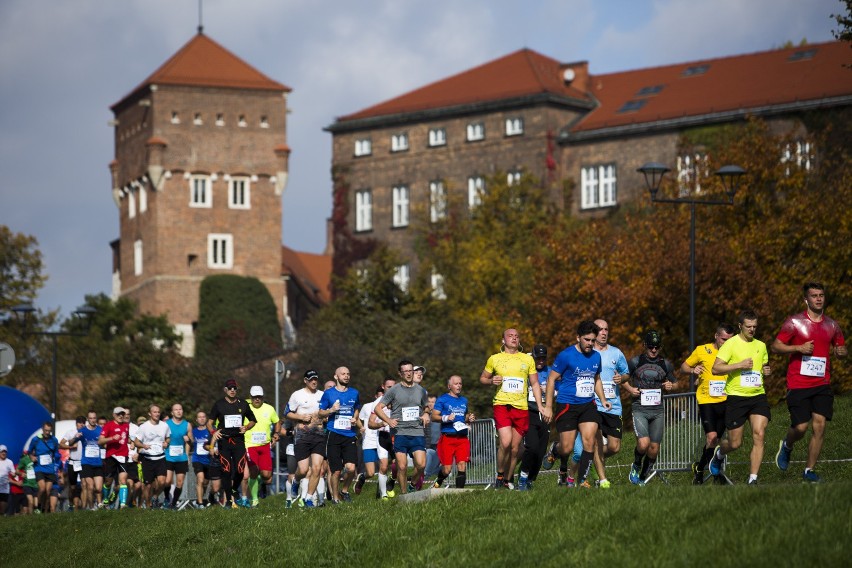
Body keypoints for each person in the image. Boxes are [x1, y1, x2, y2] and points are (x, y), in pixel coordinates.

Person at [772, 282, 846, 482]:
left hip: (822, 383)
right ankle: (787, 445)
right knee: (801, 428)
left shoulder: (832, 325)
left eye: (821, 295)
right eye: (814, 295)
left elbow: (841, 347)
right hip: (798, 383)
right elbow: (776, 346)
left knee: (820, 425)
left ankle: (809, 471)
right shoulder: (794, 323)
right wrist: (798, 348)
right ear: (806, 299)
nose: (819, 298)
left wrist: (841, 352)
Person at [544, 320, 611, 489]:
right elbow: (551, 379)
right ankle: (555, 449)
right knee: (566, 449)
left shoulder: (596, 356)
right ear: (578, 338)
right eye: (587, 340)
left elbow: (596, 379)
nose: (590, 344)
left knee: (589, 442)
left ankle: (579, 479)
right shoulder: (566, 355)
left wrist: (603, 399)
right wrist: (548, 407)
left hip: (588, 404)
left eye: (592, 340)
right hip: (567, 405)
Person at [709, 309, 772, 485]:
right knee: (735, 443)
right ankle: (719, 454)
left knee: (759, 434)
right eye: (748, 326)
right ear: (740, 326)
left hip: (757, 396)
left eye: (754, 327)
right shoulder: (731, 344)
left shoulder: (761, 345)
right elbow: (716, 368)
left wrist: (767, 370)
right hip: (737, 397)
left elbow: (763, 366)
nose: (752, 330)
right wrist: (739, 365)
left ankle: (753, 479)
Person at [480, 328, 549, 489]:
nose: (514, 338)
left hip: (521, 407)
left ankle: (508, 479)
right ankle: (499, 474)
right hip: (502, 404)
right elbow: (483, 378)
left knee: (515, 448)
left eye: (517, 336)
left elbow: (535, 384)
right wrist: (491, 381)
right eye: (510, 336)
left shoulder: (527, 359)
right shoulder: (494, 359)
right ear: (503, 340)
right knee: (505, 442)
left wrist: (540, 406)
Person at [682, 323, 735, 484]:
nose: (726, 343)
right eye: (723, 339)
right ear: (716, 336)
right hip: (706, 401)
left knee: (716, 441)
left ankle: (701, 467)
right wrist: (692, 371)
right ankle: (716, 474)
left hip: (726, 401)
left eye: (730, 340)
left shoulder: (733, 353)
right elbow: (684, 366)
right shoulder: (702, 350)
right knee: (711, 438)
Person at [625, 330, 676, 485]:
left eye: (657, 347)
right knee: (643, 443)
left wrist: (670, 385)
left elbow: (676, 382)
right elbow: (622, 378)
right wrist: (630, 389)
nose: (654, 350)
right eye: (651, 347)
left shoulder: (665, 364)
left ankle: (642, 478)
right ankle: (636, 465)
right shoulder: (635, 362)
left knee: (654, 449)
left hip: (658, 411)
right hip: (640, 408)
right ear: (644, 345)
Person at [375, 360, 430, 494]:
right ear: (400, 374)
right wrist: (388, 420)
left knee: (421, 465)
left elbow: (426, 407)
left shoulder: (421, 390)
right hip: (400, 432)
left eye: (410, 370)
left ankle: (412, 484)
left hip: (417, 431)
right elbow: (378, 408)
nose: (408, 374)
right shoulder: (394, 390)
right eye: (405, 371)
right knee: (402, 466)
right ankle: (404, 495)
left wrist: (426, 414)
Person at [209, 378, 257, 509]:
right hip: (224, 440)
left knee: (241, 470)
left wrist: (246, 427)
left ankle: (234, 490)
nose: (232, 390)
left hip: (239, 440)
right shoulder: (219, 404)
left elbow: (253, 420)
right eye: (230, 388)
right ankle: (229, 501)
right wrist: (213, 431)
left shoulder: (243, 404)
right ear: (225, 390)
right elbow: (209, 422)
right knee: (226, 470)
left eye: (234, 388)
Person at [318, 366, 361, 503]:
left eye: (348, 374)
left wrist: (355, 418)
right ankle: (335, 499)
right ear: (336, 377)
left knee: (351, 468)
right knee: (336, 471)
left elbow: (356, 408)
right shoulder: (329, 394)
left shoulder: (354, 393)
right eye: (343, 374)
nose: (346, 376)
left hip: (349, 434)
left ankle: (344, 490)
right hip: (333, 434)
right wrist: (331, 410)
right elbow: (320, 413)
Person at [286, 369, 326, 508]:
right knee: (303, 470)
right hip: (302, 435)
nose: (314, 381)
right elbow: (287, 413)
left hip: (319, 434)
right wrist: (300, 417)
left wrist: (325, 417)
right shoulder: (297, 395)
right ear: (305, 381)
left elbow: (326, 413)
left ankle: (309, 498)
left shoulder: (322, 395)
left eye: (315, 379)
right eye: (311, 379)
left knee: (317, 468)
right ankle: (296, 481)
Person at [431, 375, 475, 489]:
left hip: (462, 438)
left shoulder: (464, 400)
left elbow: (463, 417)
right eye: (456, 384)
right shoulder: (443, 399)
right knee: (447, 469)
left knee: (462, 465)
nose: (459, 386)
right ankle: (438, 481)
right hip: (448, 437)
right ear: (449, 386)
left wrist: (469, 418)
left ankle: (459, 494)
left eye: (460, 383)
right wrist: (446, 418)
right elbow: (434, 416)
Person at [518, 344, 550, 490]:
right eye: (538, 358)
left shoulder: (550, 372)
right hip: (528, 412)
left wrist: (549, 391)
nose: (541, 361)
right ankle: (522, 477)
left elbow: (558, 390)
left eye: (543, 358)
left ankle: (531, 479)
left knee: (541, 450)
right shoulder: (526, 370)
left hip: (544, 413)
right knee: (532, 447)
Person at [244, 385, 280, 507]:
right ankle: (254, 500)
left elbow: (277, 421)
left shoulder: (269, 408)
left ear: (263, 397)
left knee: (267, 476)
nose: (257, 399)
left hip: (265, 445)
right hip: (250, 445)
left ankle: (259, 484)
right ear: (251, 397)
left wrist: (276, 433)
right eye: (254, 397)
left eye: (259, 397)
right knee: (253, 471)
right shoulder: (245, 408)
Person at [355, 385, 392, 499]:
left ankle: (381, 493)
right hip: (369, 441)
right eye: (379, 395)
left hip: (382, 438)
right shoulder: (367, 407)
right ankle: (362, 478)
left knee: (383, 467)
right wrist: (361, 428)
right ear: (376, 396)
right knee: (370, 473)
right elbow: (358, 418)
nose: (382, 397)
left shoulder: (389, 406)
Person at [133, 404, 171, 508]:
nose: (157, 414)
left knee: (163, 482)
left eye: (158, 412)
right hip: (148, 458)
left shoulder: (164, 425)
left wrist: (166, 443)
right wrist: (143, 445)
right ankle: (149, 505)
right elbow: (136, 442)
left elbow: (168, 438)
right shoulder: (144, 426)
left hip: (160, 457)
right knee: (148, 485)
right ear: (150, 413)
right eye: (154, 412)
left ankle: (155, 496)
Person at [99, 407, 131, 508]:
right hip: (111, 456)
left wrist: (131, 442)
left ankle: (122, 504)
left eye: (122, 414)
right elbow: (100, 441)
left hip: (123, 455)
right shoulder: (108, 426)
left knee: (123, 480)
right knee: (108, 482)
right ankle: (105, 499)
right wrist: (112, 438)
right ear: (113, 415)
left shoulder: (126, 426)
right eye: (118, 414)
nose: (121, 416)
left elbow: (126, 437)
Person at [164, 403, 192, 509]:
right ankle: (167, 498)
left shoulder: (187, 424)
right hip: (168, 457)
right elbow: (161, 437)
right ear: (172, 412)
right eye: (176, 410)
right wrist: (164, 443)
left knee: (180, 483)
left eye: (180, 409)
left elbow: (191, 441)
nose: (179, 411)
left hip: (181, 457)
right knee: (167, 481)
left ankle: (173, 503)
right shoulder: (166, 424)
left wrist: (188, 439)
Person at [27, 421, 60, 513]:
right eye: (45, 430)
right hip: (39, 468)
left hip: (50, 469)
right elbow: (29, 451)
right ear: (42, 430)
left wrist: (56, 460)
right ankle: (38, 505)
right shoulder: (36, 440)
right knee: (42, 488)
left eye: (49, 431)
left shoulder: (54, 440)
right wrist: (32, 457)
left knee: (48, 491)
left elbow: (56, 453)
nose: (47, 433)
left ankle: (45, 511)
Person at [77, 410, 105, 509]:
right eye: (91, 418)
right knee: (90, 486)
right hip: (86, 463)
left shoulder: (101, 430)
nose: (93, 420)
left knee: (98, 488)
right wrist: (74, 438)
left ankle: (99, 504)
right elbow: (72, 441)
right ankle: (92, 507)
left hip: (97, 463)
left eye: (94, 418)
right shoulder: (82, 431)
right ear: (88, 419)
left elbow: (105, 442)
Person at [191, 411, 218, 508]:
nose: (202, 419)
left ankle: (199, 500)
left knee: (205, 483)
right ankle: (201, 504)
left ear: (206, 419)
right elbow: (187, 441)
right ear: (196, 420)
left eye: (203, 417)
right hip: (197, 459)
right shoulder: (193, 432)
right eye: (199, 417)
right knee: (200, 480)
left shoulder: (211, 430)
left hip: (209, 460)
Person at [59, 415, 85, 511]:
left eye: (83, 423)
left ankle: (83, 507)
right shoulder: (71, 432)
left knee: (83, 485)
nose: (81, 424)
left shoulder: (86, 433)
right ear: (76, 424)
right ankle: (71, 504)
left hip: (84, 463)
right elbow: (60, 444)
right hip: (73, 462)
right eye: (79, 423)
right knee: (73, 487)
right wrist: (70, 447)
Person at [0, 445, 12, 515]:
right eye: (2, 451)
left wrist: (13, 475)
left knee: (2, 511)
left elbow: (13, 473)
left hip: (5, 489)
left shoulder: (9, 462)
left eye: (5, 452)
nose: (4, 453)